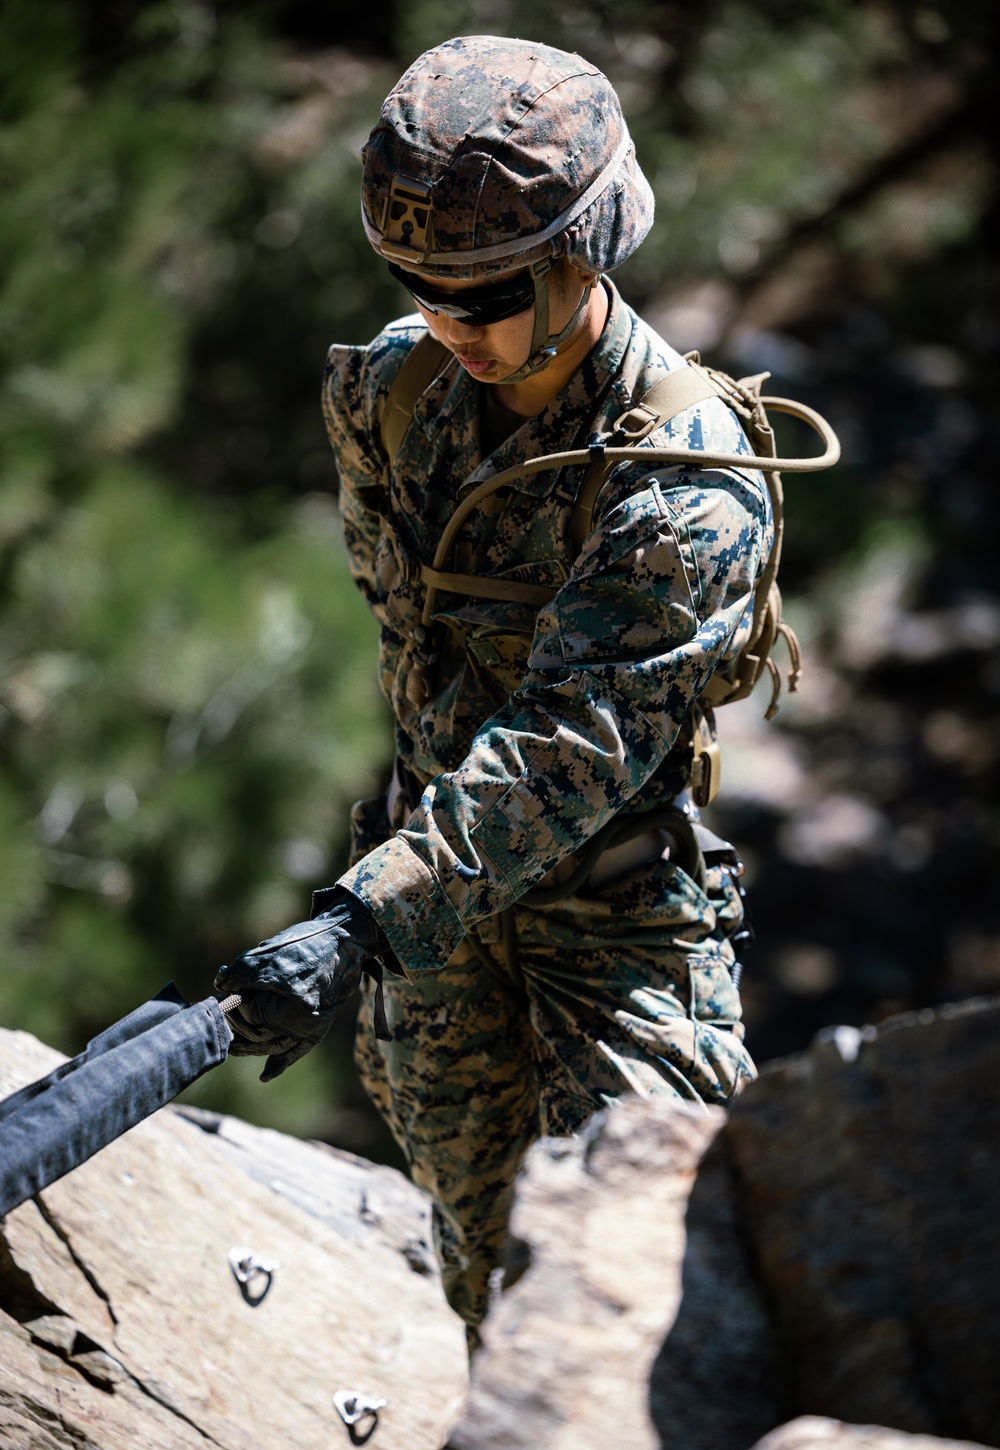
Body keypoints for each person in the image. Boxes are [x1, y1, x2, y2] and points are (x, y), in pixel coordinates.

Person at [215, 35, 769, 1347]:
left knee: (638, 1309)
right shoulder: (391, 391)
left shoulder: (689, 481)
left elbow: (570, 749)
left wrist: (364, 919)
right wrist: (402, 908)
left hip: (612, 929)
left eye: (491, 292)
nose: (452, 325)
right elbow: (410, 637)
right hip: (436, 929)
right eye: (418, 284)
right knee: (485, 1287)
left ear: (591, 250)